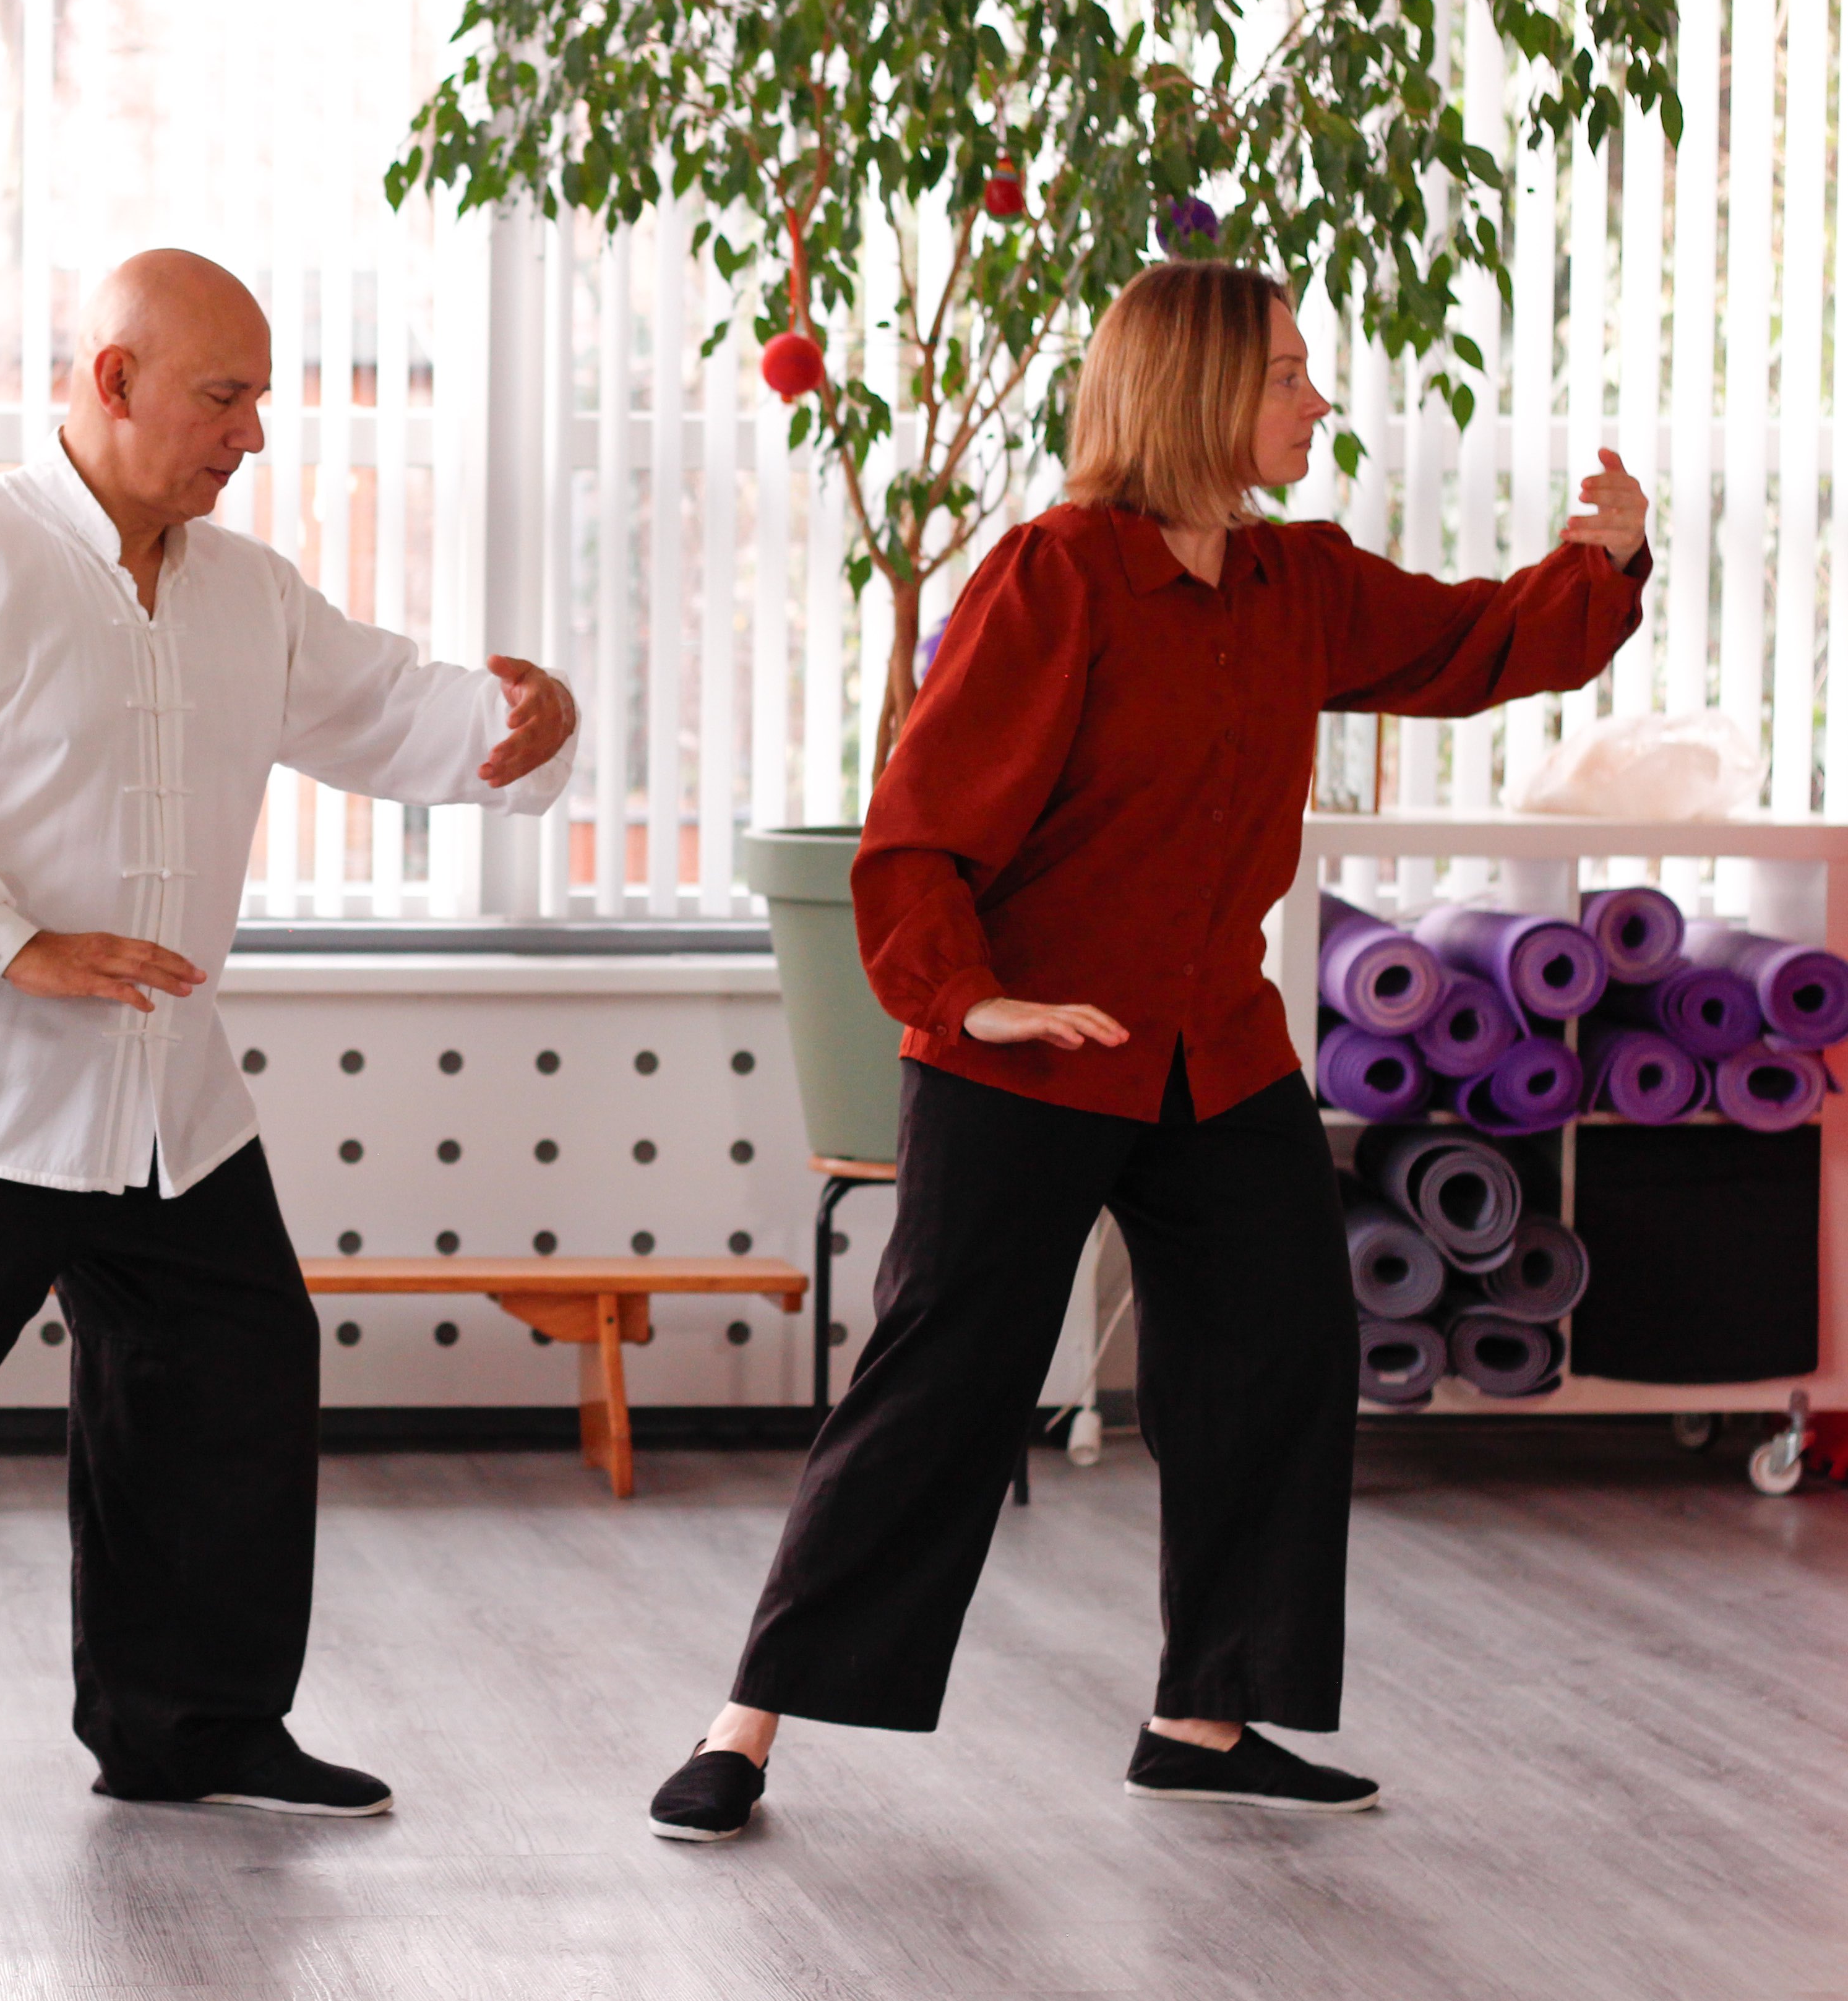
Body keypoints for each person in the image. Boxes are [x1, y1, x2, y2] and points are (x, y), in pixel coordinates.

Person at [647, 261, 1654, 1841]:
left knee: (1280, 1348)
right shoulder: (1055, 580)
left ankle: (1206, 1719)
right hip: (1024, 1050)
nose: (1317, 399)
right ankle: (746, 1727)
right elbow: (921, 825)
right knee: (943, 1384)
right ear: (1194, 393)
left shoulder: (1294, 585)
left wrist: (1606, 561)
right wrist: (964, 997)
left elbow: (1475, 645)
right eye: (1287, 373)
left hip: (1213, 1048)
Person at [0, 248, 580, 1832]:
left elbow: (391, 708)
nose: (253, 436)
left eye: (263, 401)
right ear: (114, 377)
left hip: (159, 1098)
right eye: (227, 397)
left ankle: (190, 1728)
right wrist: (11, 943)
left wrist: (516, 728)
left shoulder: (247, 589)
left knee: (236, 1375)